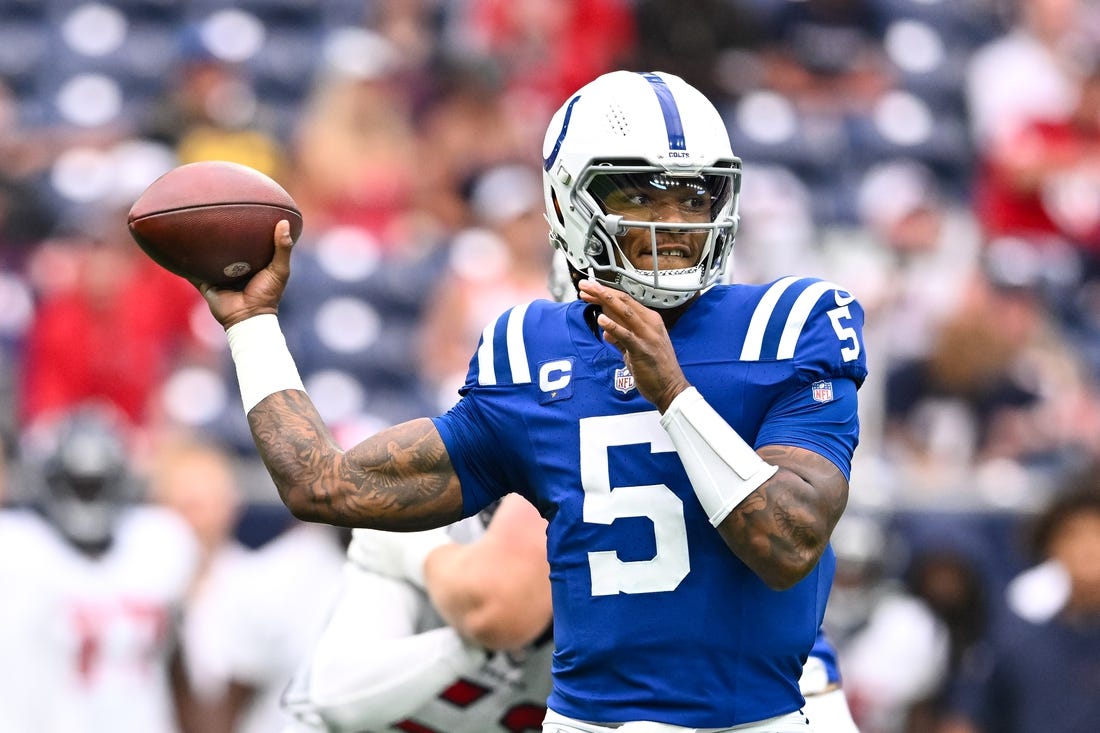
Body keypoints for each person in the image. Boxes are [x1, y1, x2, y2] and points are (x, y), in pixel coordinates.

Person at [193, 70, 868, 731]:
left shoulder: (792, 323)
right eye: (640, 198)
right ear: (571, 202)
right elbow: (322, 486)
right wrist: (252, 327)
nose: (673, 225)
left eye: (695, 198)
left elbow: (788, 541)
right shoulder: (532, 348)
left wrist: (672, 391)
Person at [0, 403, 199, 733]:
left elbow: (177, 662)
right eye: (78, 484)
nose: (87, 497)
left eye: (96, 484)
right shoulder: (16, 547)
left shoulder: (159, 541)